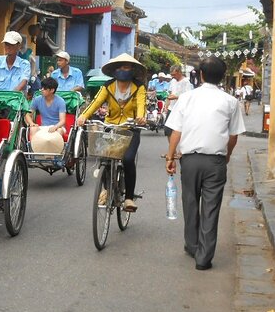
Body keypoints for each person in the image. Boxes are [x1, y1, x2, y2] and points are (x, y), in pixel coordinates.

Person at [165, 56, 245, 271]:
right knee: (211, 208)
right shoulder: (230, 101)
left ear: (200, 75)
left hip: (190, 160)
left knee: (190, 203)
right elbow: (234, 135)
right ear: (222, 77)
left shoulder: (187, 98)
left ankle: (192, 245)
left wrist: (171, 157)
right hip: (215, 161)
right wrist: (226, 156)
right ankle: (204, 258)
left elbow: (176, 132)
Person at [77, 53, 147, 212]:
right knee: (104, 158)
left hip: (131, 128)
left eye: (127, 67)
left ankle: (129, 198)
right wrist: (83, 116)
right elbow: (95, 103)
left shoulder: (139, 88)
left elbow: (141, 105)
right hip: (110, 126)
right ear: (115, 70)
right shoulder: (108, 86)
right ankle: (106, 188)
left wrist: (141, 117)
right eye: (121, 66)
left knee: (128, 159)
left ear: (132, 70)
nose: (123, 69)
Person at [164, 64, 193, 139]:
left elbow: (189, 97)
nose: (172, 76)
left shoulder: (186, 82)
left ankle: (180, 150)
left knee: (180, 131)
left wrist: (176, 97)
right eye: (171, 75)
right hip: (171, 108)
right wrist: (166, 106)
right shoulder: (173, 81)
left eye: (174, 74)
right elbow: (170, 94)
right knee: (167, 130)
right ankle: (173, 150)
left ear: (179, 72)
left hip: (181, 109)